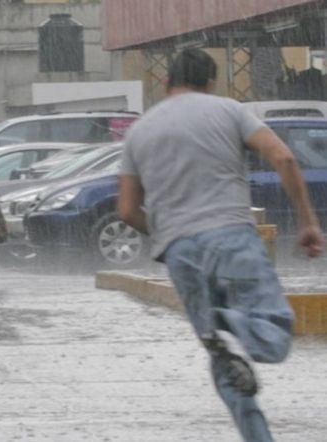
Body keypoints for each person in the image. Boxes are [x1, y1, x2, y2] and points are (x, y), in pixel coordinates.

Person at [118, 48, 324, 442]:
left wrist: (167, 233)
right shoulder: (229, 110)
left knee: (225, 363)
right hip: (232, 236)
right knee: (275, 331)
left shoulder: (139, 131)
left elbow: (127, 210)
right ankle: (232, 326)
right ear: (211, 82)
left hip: (180, 253)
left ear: (166, 83)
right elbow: (283, 158)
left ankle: (254, 428)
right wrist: (308, 223)